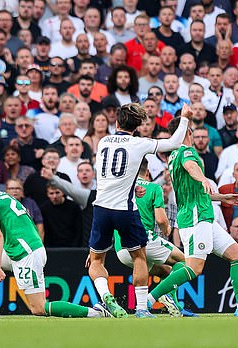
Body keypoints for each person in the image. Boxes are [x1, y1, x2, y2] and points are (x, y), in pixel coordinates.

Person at [145, 117, 238, 317]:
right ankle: (150, 299)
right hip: (194, 218)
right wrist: (203, 178)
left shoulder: (173, 157)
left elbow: (194, 190)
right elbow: (193, 168)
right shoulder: (187, 152)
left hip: (203, 216)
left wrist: (219, 197)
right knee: (194, 268)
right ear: (187, 133)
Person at [0, 168, 110, 319]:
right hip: (20, 249)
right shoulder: (4, 197)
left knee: (38, 308)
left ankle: (95, 313)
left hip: (26, 254)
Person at [88, 103, 191, 318]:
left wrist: (133, 186)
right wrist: (185, 118)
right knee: (139, 258)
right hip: (125, 209)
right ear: (137, 127)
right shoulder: (139, 143)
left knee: (96, 261)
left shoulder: (103, 141)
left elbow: (111, 173)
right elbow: (174, 142)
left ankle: (106, 298)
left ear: (117, 123)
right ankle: (142, 308)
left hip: (101, 208)